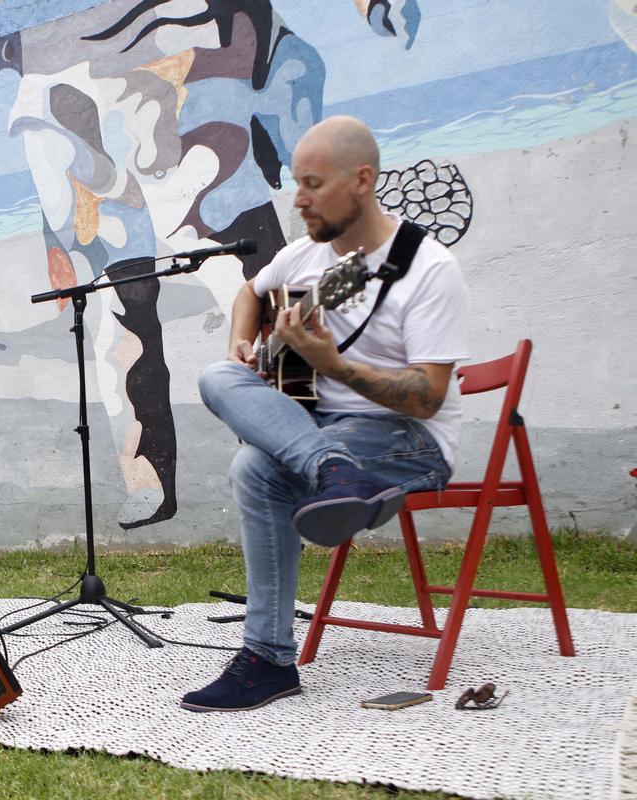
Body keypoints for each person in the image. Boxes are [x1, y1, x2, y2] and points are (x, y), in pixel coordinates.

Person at [181, 116, 470, 711]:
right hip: (326, 437)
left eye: (312, 184)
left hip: (406, 438)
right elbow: (251, 291)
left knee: (254, 469)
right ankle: (332, 471)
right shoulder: (303, 256)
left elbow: (430, 397)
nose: (299, 198)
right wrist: (244, 339)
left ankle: (266, 659)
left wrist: (330, 363)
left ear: (362, 179)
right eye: (296, 182)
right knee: (216, 375)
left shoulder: (428, 267)